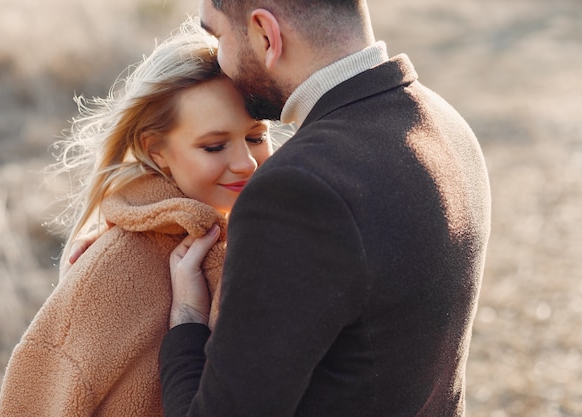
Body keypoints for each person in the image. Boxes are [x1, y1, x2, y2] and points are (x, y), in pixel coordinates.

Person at [157, 1, 492, 417]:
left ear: (266, 33)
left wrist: (186, 319)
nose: (219, 62)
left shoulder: (297, 188)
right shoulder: (447, 125)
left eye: (218, 36)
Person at [0, 18, 273, 417]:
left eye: (256, 137)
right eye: (214, 146)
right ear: (156, 151)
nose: (246, 162)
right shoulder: (114, 268)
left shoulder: (277, 236)